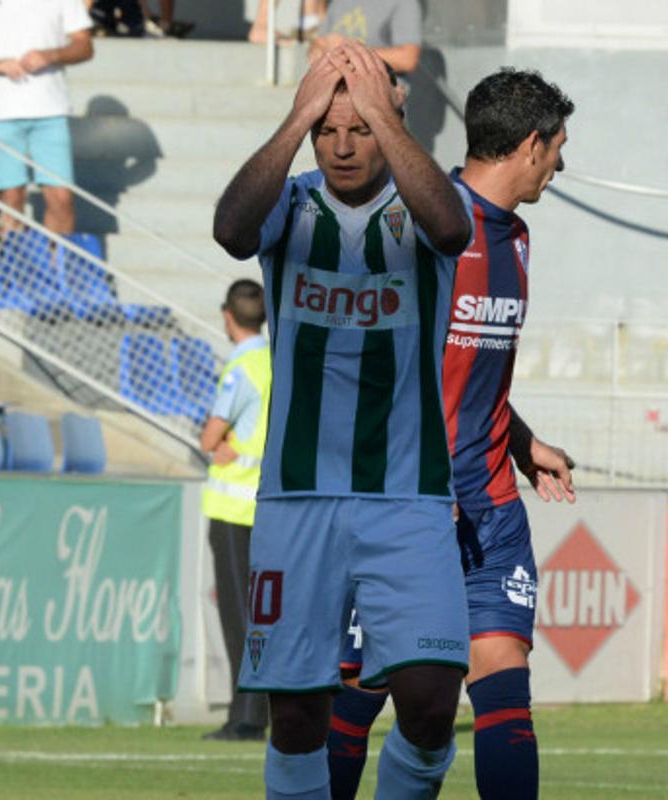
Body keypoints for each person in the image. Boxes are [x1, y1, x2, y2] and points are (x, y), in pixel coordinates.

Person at [212, 41, 474, 799]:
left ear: (393, 121)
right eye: (329, 130)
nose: (343, 145)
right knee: (295, 715)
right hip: (298, 501)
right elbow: (231, 230)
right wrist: (300, 112)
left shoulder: (424, 206)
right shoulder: (289, 206)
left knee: (428, 701)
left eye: (359, 128)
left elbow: (454, 230)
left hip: (409, 498)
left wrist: (383, 114)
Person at [325, 68, 577, 800]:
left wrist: (522, 439)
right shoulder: (421, 222)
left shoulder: (518, 239)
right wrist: (417, 482)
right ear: (531, 144)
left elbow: (471, 360)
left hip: (491, 504)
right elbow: (377, 370)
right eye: (558, 148)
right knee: (365, 695)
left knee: (503, 690)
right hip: (408, 504)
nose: (560, 166)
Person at [199, 279, 272, 743]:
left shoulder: (241, 368)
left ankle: (245, 716)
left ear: (228, 315)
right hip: (267, 504)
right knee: (263, 614)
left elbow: (210, 437)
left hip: (233, 506)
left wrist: (217, 443)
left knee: (238, 617)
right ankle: (256, 710)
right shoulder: (275, 361)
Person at [0, 0, 93, 235]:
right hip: (3, 111)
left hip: (51, 111)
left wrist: (51, 55)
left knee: (61, 198)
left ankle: (56, 266)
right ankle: (13, 265)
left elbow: (85, 45)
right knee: (12, 197)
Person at [310, 0, 421, 77]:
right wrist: (317, 50)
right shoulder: (338, 2)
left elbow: (407, 59)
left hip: (375, 102)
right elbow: (319, 43)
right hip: (333, 99)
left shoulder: (404, 3)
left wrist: (348, 49)